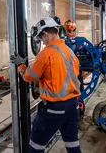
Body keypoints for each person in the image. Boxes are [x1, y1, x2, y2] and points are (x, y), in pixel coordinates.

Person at [11, 17, 81, 153]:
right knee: (72, 143)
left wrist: (20, 65)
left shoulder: (46, 54)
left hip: (54, 109)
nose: (41, 41)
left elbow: (28, 76)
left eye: (41, 38)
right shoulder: (69, 52)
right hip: (73, 106)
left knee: (36, 146)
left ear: (46, 34)